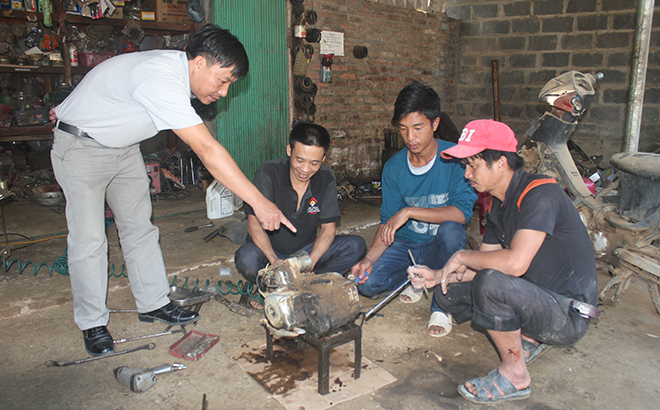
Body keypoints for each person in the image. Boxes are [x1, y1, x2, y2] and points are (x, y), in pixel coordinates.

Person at [49, 24, 295, 357]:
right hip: (82, 146)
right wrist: (259, 202)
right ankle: (92, 322)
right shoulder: (162, 78)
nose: (224, 92)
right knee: (90, 238)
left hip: (123, 149)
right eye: (222, 81)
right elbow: (208, 151)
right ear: (198, 64)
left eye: (230, 85)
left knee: (140, 229)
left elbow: (111, 80)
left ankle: (153, 303)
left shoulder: (175, 74)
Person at [408, 119, 600, 404]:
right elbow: (485, 262)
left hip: (568, 312)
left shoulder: (540, 194)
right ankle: (529, 337)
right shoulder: (499, 201)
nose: (466, 174)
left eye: (473, 165)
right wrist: (438, 275)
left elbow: (514, 265)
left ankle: (516, 375)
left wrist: (460, 255)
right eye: (465, 166)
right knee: (448, 293)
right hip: (537, 296)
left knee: (490, 284)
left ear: (500, 163)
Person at [350, 81, 477, 336]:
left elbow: (461, 213)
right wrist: (368, 259)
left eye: (418, 128)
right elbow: (388, 225)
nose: (410, 137)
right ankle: (416, 278)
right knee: (368, 284)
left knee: (452, 231)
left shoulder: (455, 158)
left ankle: (442, 305)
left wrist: (409, 212)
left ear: (435, 124)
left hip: (441, 246)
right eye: (403, 129)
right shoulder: (395, 167)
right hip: (407, 246)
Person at [235, 122, 367, 308]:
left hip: (305, 251)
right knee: (246, 258)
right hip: (271, 252)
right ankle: (277, 281)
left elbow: (328, 229)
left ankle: (305, 283)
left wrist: (310, 263)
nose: (305, 169)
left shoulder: (326, 177)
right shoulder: (268, 173)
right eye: (300, 160)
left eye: (314, 163)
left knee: (356, 246)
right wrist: (274, 261)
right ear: (289, 150)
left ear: (323, 157)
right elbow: (254, 224)